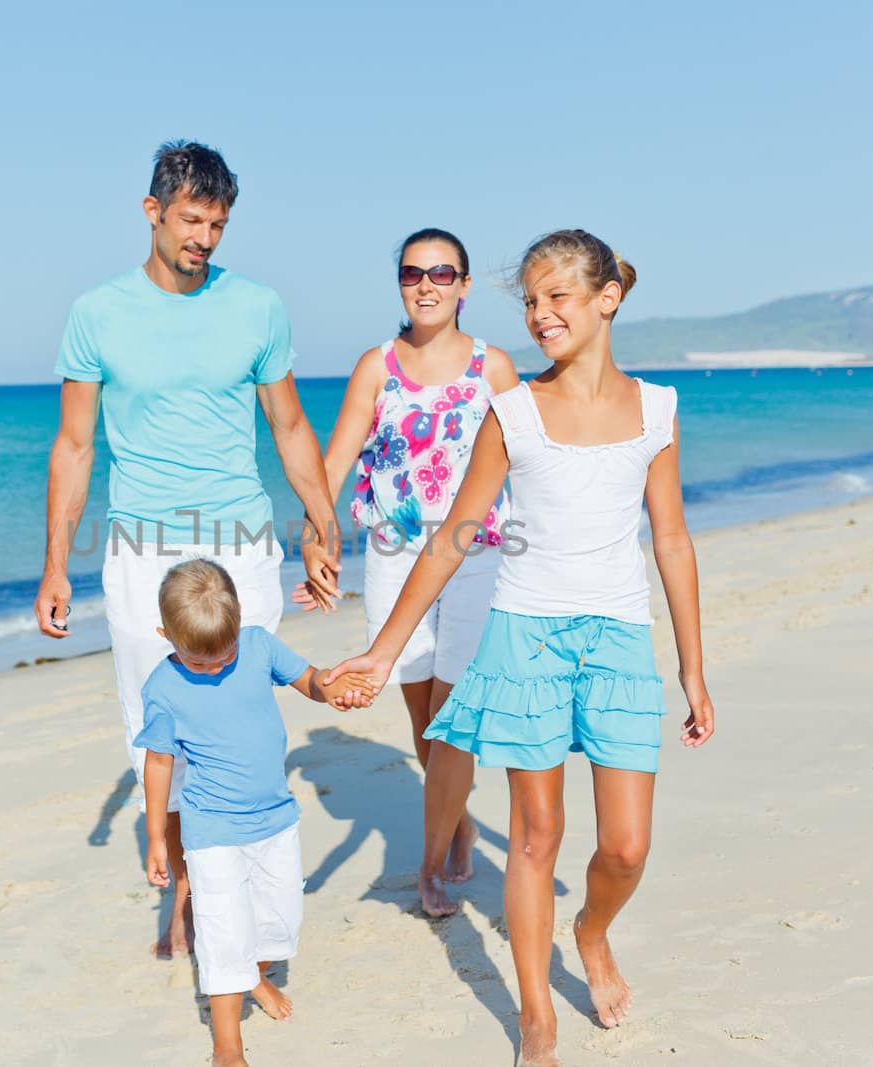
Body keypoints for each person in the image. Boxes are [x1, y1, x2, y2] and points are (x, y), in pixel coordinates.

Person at [325, 229, 716, 1067]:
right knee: (537, 835)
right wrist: (385, 650)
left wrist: (692, 666)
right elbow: (455, 535)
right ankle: (536, 1013)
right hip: (525, 635)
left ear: (607, 297)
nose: (540, 315)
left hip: (616, 637)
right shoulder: (512, 412)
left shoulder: (656, 410)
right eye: (530, 301)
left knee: (625, 847)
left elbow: (673, 540)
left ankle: (592, 930)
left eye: (557, 298)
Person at [37, 141, 343, 960]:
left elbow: (287, 424)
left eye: (218, 223)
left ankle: (232, 899)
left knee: (240, 720)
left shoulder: (258, 307)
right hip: (140, 548)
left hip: (241, 542)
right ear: (153, 211)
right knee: (158, 728)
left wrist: (322, 519)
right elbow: (74, 446)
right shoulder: (97, 312)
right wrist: (56, 563)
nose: (204, 237)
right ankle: (182, 892)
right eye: (191, 219)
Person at [293, 227, 520, 917]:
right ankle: (457, 820)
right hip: (393, 554)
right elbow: (334, 462)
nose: (427, 284)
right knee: (421, 712)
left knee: (453, 717)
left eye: (442, 272)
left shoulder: (495, 368)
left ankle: (428, 862)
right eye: (413, 273)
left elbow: (530, 461)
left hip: (475, 554)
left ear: (465, 285)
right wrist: (315, 532)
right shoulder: (376, 366)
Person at [137, 560, 375, 1067]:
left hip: (275, 821)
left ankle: (257, 976)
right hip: (211, 830)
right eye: (198, 663)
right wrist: (158, 836)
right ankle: (228, 1046)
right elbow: (158, 764)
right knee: (224, 935)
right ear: (166, 636)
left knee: (280, 923)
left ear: (239, 621)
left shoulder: (258, 646)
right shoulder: (162, 687)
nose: (215, 668)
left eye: (223, 656)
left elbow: (308, 679)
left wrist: (333, 693)